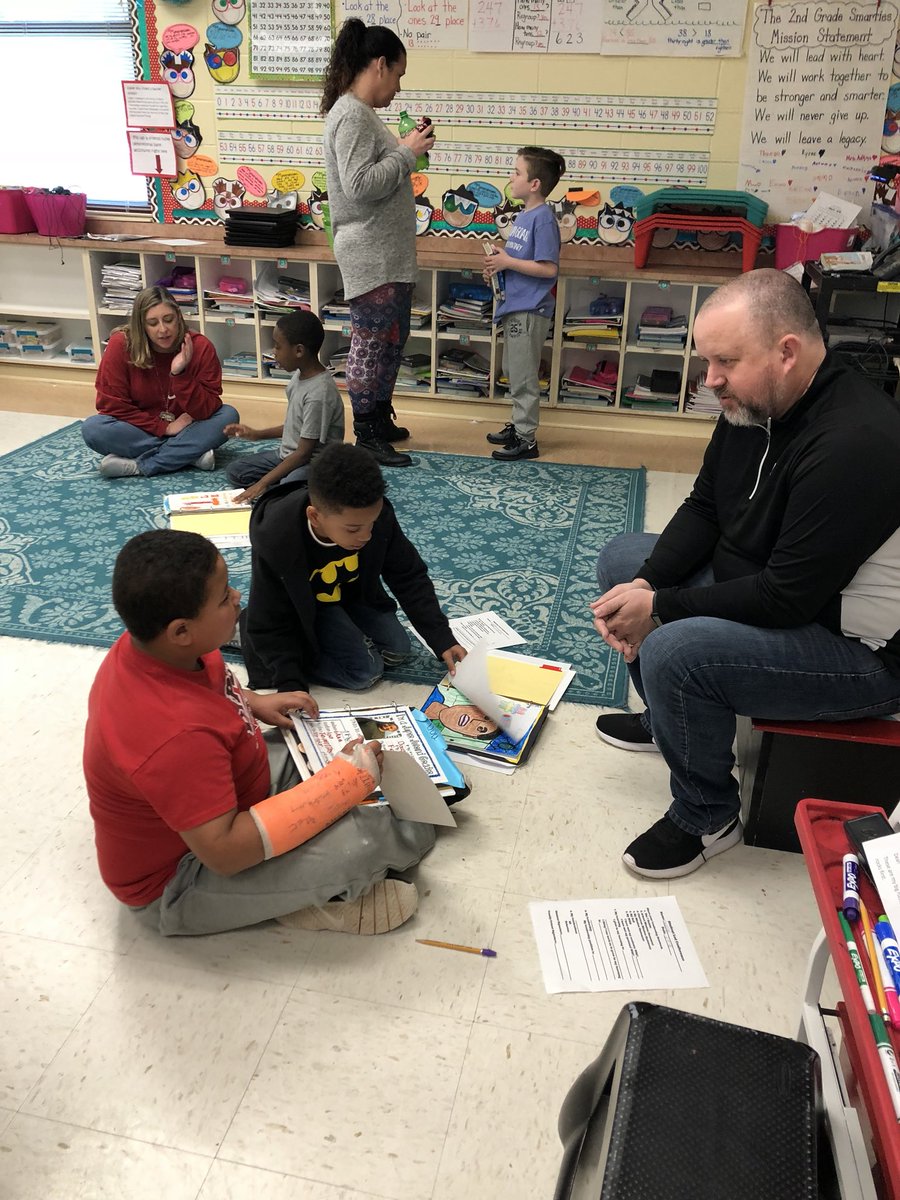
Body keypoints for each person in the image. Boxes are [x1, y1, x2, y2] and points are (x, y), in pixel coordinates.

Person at [591, 268, 900, 880]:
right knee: (624, 562)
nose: (710, 380)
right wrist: (648, 586)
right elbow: (706, 506)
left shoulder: (856, 443)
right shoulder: (760, 400)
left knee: (675, 651)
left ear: (786, 352)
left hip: (862, 652)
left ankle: (707, 815)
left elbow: (784, 599)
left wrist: (661, 610)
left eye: (726, 362)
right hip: (784, 589)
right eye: (708, 360)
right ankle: (669, 722)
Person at [83, 529, 435, 936]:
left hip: (233, 791)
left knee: (344, 749)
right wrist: (338, 788)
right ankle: (306, 900)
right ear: (180, 631)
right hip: (183, 879)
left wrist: (251, 701)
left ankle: (294, 884)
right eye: (223, 597)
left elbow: (203, 693)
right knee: (377, 836)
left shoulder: (157, 646)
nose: (236, 597)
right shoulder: (175, 738)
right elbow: (226, 854)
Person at [241, 441, 466, 692]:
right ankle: (244, 631)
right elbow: (271, 616)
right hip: (303, 610)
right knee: (364, 673)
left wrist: (441, 637)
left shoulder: (372, 513)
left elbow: (408, 575)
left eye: (372, 524)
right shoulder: (278, 535)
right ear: (315, 517)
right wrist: (290, 681)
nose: (366, 535)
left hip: (352, 598)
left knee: (398, 650)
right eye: (353, 529)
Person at [321, 18, 435, 469]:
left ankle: (379, 419)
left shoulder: (361, 114)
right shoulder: (351, 114)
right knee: (371, 343)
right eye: (399, 75)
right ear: (380, 64)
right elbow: (359, 186)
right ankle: (366, 432)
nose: (399, 87)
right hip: (371, 254)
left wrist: (404, 149)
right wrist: (407, 153)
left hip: (387, 255)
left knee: (390, 339)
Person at [81, 286, 237, 479]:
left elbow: (207, 408)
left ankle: (141, 466)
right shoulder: (120, 344)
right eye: (152, 323)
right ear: (141, 325)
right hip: (141, 429)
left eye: (168, 320)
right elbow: (111, 405)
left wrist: (180, 373)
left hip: (188, 427)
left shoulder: (200, 346)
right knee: (93, 428)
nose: (163, 330)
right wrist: (164, 428)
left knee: (228, 416)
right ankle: (190, 455)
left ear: (178, 317)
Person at [482, 146, 565, 462]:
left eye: (517, 172)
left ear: (534, 184)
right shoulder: (525, 216)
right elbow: (520, 262)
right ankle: (519, 425)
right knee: (513, 370)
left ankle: (526, 439)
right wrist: (498, 266)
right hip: (515, 305)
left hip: (530, 310)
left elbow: (549, 269)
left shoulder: (542, 219)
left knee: (523, 376)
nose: (511, 178)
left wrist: (508, 262)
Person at [222, 311, 344, 503]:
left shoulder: (319, 394)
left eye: (278, 346)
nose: (274, 352)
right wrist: (256, 434)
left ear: (299, 351)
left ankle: (300, 487)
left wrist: (262, 483)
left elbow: (304, 453)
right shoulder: (299, 376)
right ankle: (285, 487)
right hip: (288, 455)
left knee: (284, 492)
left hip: (315, 464)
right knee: (236, 471)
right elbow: (294, 426)